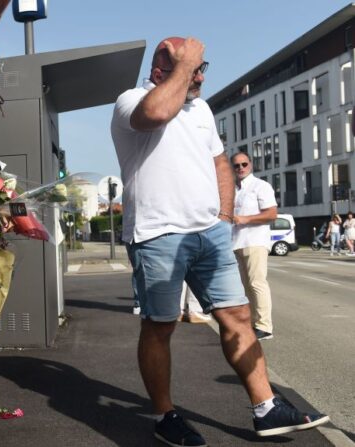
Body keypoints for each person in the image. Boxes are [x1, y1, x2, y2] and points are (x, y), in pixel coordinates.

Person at [110, 36, 329, 446]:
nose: (200, 77)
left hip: (209, 233)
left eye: (201, 69)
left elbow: (218, 162)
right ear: (162, 70)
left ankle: (266, 408)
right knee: (159, 326)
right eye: (195, 69)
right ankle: (164, 415)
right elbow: (156, 113)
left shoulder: (201, 109)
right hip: (158, 234)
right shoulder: (131, 100)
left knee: (239, 317)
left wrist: (224, 216)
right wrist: (183, 65)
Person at [231, 152, 278, 341]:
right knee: (246, 286)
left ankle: (265, 327)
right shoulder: (233, 189)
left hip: (255, 241)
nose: (240, 168)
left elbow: (272, 214)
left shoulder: (261, 186)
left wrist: (245, 219)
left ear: (250, 164)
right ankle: (253, 324)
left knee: (257, 283)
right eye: (236, 165)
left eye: (244, 164)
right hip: (237, 242)